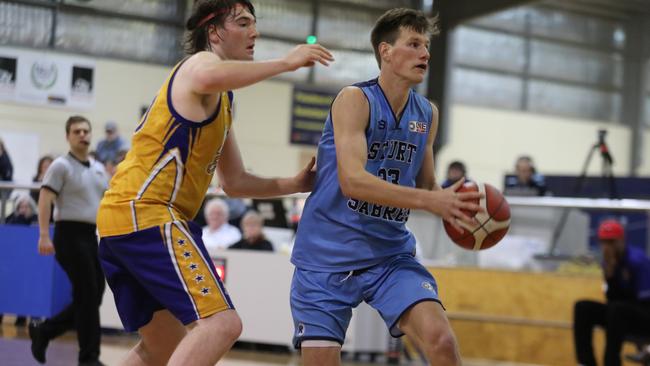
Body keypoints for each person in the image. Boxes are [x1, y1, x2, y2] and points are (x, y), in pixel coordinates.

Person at [95, 1, 333, 365]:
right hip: (147, 213)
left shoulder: (222, 99)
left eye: (255, 23)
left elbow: (235, 181)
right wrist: (287, 63)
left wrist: (296, 182)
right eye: (243, 23)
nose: (254, 32)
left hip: (121, 221)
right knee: (222, 324)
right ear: (214, 31)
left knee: (162, 347)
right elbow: (208, 76)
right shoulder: (199, 65)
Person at [290, 8, 482, 366]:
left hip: (388, 254)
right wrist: (431, 199)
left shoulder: (427, 113)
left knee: (441, 341)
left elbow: (427, 185)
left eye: (426, 45)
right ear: (386, 51)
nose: (425, 53)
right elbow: (353, 182)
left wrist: (460, 207)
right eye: (413, 44)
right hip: (326, 256)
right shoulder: (354, 99)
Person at [29, 115, 109, 366]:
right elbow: (45, 199)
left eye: (86, 131)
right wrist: (44, 234)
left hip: (91, 236)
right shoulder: (61, 166)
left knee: (94, 296)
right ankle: (89, 359)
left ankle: (46, 330)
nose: (83, 135)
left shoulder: (97, 168)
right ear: (68, 136)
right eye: (77, 131)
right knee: (87, 295)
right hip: (69, 236)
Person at [573, 219, 650, 366]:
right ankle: (586, 362)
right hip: (621, 314)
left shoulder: (637, 260)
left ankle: (611, 363)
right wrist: (611, 277)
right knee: (583, 307)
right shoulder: (608, 262)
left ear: (621, 240)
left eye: (611, 242)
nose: (607, 247)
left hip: (645, 315)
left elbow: (645, 300)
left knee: (617, 310)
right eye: (603, 242)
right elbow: (612, 299)